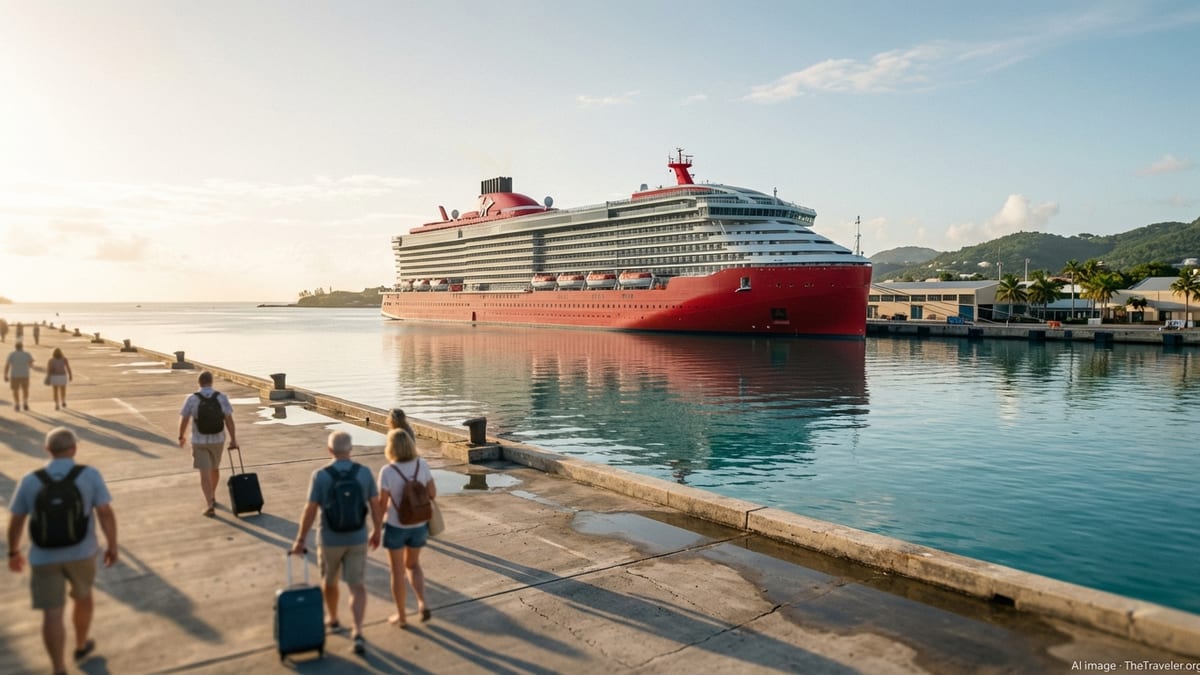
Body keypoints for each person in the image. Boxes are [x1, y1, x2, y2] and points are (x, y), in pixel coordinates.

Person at [7, 427, 118, 675]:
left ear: (47, 450)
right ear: (74, 449)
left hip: (44, 556)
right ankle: (80, 644)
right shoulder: (90, 475)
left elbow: (16, 520)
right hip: (82, 552)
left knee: (52, 614)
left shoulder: (31, 479)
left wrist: (13, 552)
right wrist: (112, 545)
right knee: (83, 597)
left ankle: (58, 668)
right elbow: (105, 514)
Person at [290, 431, 381, 655]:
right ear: (351, 450)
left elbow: (310, 510)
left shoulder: (320, 476)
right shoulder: (364, 473)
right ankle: (357, 631)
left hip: (329, 539)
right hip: (358, 537)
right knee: (357, 586)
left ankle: (332, 618)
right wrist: (378, 530)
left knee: (329, 582)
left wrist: (300, 539)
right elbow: (375, 505)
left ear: (329, 450)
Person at [377, 428, 436, 628]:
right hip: (419, 525)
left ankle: (401, 616)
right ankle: (422, 603)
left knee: (397, 571)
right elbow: (432, 493)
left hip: (396, 526)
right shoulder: (422, 465)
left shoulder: (388, 471)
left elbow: (382, 504)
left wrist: (377, 527)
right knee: (413, 565)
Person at [177, 371, 239, 517]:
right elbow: (229, 420)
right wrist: (233, 439)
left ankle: (210, 503)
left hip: (199, 441)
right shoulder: (221, 397)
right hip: (218, 440)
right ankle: (213, 495)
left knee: (204, 472)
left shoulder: (192, 398)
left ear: (199, 383)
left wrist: (181, 436)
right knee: (214, 469)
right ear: (212, 382)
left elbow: (184, 418)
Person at [5, 340, 35, 411]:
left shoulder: (11, 354)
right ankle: (25, 403)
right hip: (25, 374)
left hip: (14, 375)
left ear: (15, 347)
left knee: (15, 390)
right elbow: (31, 365)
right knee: (25, 390)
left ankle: (17, 404)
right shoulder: (27, 354)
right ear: (22, 347)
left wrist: (5, 375)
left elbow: (7, 365)